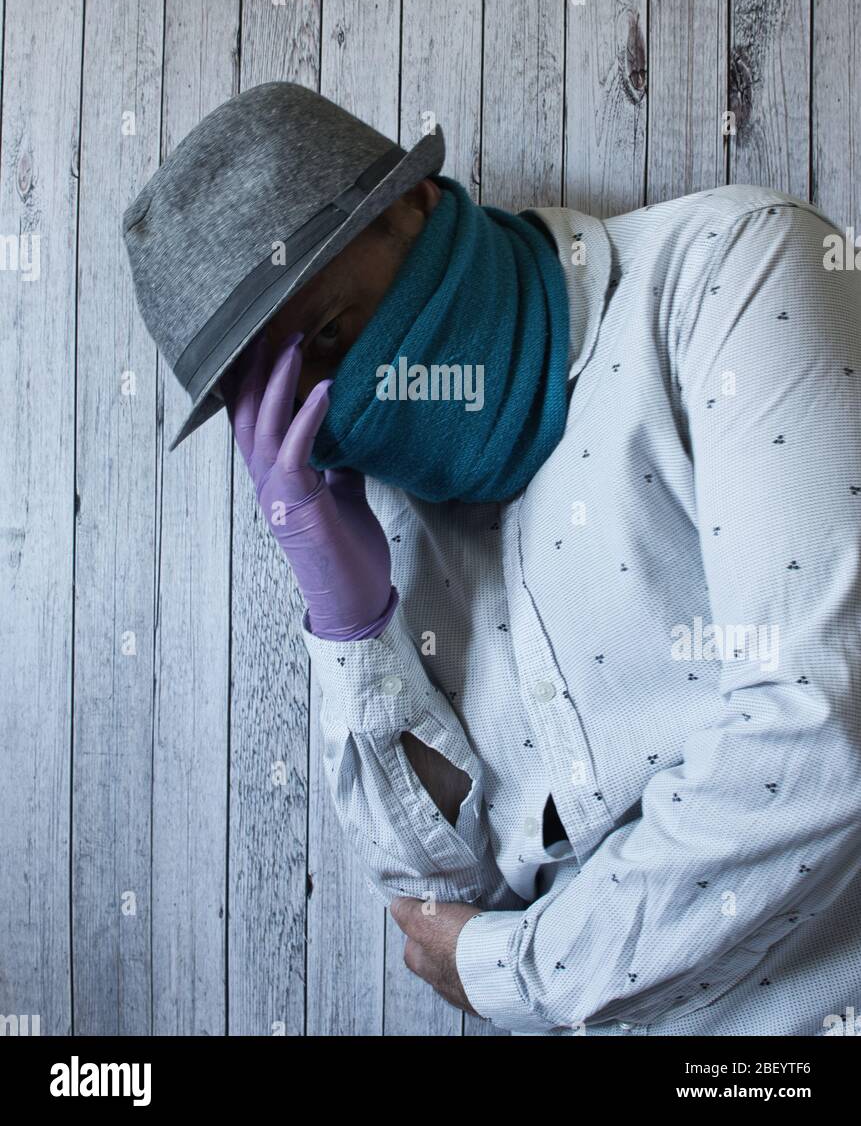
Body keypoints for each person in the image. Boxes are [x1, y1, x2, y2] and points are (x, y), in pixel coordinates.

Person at [124, 82, 861, 1036]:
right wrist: (353, 626)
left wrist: (518, 969)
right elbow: (434, 894)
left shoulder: (726, 274)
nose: (326, 414)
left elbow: (821, 727)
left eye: (333, 337)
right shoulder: (370, 516)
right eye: (273, 393)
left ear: (410, 205)